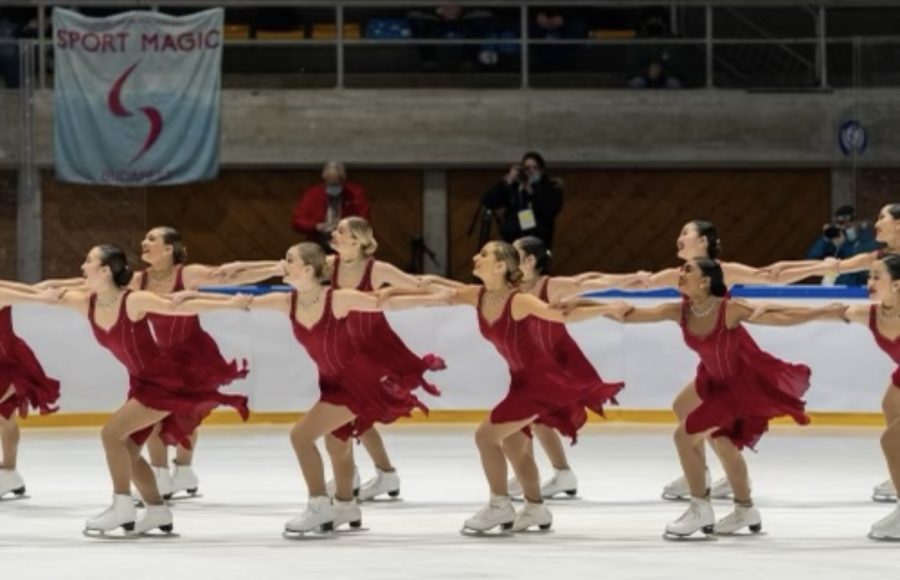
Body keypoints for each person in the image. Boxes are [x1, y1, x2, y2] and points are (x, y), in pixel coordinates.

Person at [573, 258, 841, 538]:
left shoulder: (729, 309)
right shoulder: (680, 311)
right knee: (722, 442)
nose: (681, 273)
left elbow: (779, 317)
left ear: (705, 281)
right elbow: (627, 314)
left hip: (738, 389)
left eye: (688, 270)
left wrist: (822, 312)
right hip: (712, 383)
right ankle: (745, 508)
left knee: (683, 436)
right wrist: (588, 305)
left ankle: (701, 508)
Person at [40, 226, 283, 500]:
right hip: (164, 356)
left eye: (152, 239)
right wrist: (51, 287)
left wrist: (277, 267)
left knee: (183, 416)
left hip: (193, 353)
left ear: (169, 249)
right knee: (159, 418)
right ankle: (162, 475)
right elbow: (90, 283)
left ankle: (181, 469)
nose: (144, 242)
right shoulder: (138, 281)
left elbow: (228, 273)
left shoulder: (186, 274)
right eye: (144, 237)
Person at [406, 241, 629, 533]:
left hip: (538, 384)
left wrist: (609, 307)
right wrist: (393, 294)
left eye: (484, 254)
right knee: (512, 443)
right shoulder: (479, 295)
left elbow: (560, 314)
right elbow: (444, 295)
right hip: (521, 382)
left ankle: (499, 505)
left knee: (486, 437)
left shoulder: (519, 300)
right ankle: (535, 508)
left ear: (500, 266)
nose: (476, 256)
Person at [239, 242, 448, 534]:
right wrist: (186, 299)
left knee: (301, 436)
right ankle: (346, 504)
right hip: (332, 383)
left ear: (308, 269)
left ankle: (318, 505)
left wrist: (437, 297)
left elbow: (383, 302)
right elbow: (242, 302)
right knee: (337, 443)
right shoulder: (288, 301)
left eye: (289, 260)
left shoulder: (336, 299)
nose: (282, 264)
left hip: (355, 383)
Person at [50, 245, 250, 535]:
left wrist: (230, 304)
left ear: (106, 270)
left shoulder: (133, 301)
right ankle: (157, 511)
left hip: (163, 382)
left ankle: (121, 506)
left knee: (110, 434)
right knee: (128, 450)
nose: (82, 266)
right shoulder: (87, 303)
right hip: (141, 382)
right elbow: (50, 294)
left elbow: (177, 306)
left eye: (89, 261)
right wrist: (30, 293)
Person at [0, 280, 61, 500]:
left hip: (11, 363)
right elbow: (25, 289)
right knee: (6, 418)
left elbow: (24, 294)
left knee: (5, 418)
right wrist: (38, 291)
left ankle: (8, 472)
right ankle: (9, 473)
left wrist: (42, 295)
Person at [481, 151, 564, 248]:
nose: (531, 171)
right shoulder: (515, 187)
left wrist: (531, 192)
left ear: (541, 170)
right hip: (512, 241)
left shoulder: (550, 188)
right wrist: (507, 181)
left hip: (537, 242)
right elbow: (488, 201)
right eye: (527, 168)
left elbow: (550, 209)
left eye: (535, 168)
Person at [291, 162, 370, 249]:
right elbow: (297, 221)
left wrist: (346, 227)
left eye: (336, 184)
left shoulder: (355, 194)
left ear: (343, 180)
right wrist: (316, 226)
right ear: (324, 180)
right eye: (331, 184)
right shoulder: (313, 194)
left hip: (347, 240)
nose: (334, 188)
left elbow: (363, 221)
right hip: (319, 239)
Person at [806, 205, 879, 286]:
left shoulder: (867, 236)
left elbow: (859, 260)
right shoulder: (835, 236)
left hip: (858, 287)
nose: (844, 227)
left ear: (858, 222)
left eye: (849, 224)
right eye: (840, 223)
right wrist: (825, 239)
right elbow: (811, 257)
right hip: (836, 284)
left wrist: (843, 244)